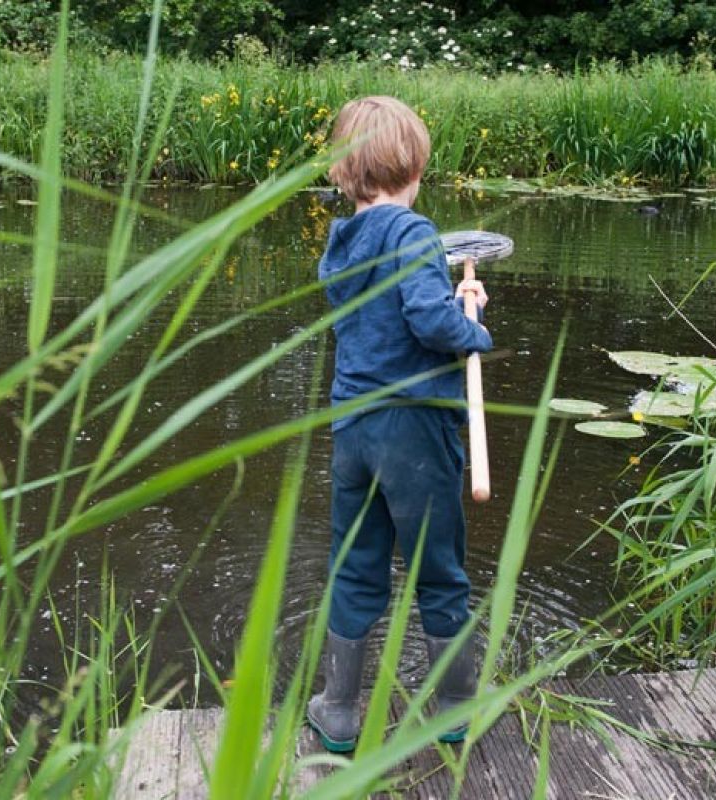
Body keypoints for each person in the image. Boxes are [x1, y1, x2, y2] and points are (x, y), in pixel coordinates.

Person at [305, 95, 492, 754]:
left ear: (342, 173)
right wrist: (470, 325)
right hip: (412, 432)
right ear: (413, 169)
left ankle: (337, 711)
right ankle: (453, 715)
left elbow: (384, 313)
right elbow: (427, 323)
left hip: (353, 428)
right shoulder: (413, 232)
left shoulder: (340, 238)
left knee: (356, 568)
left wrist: (449, 293)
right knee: (437, 572)